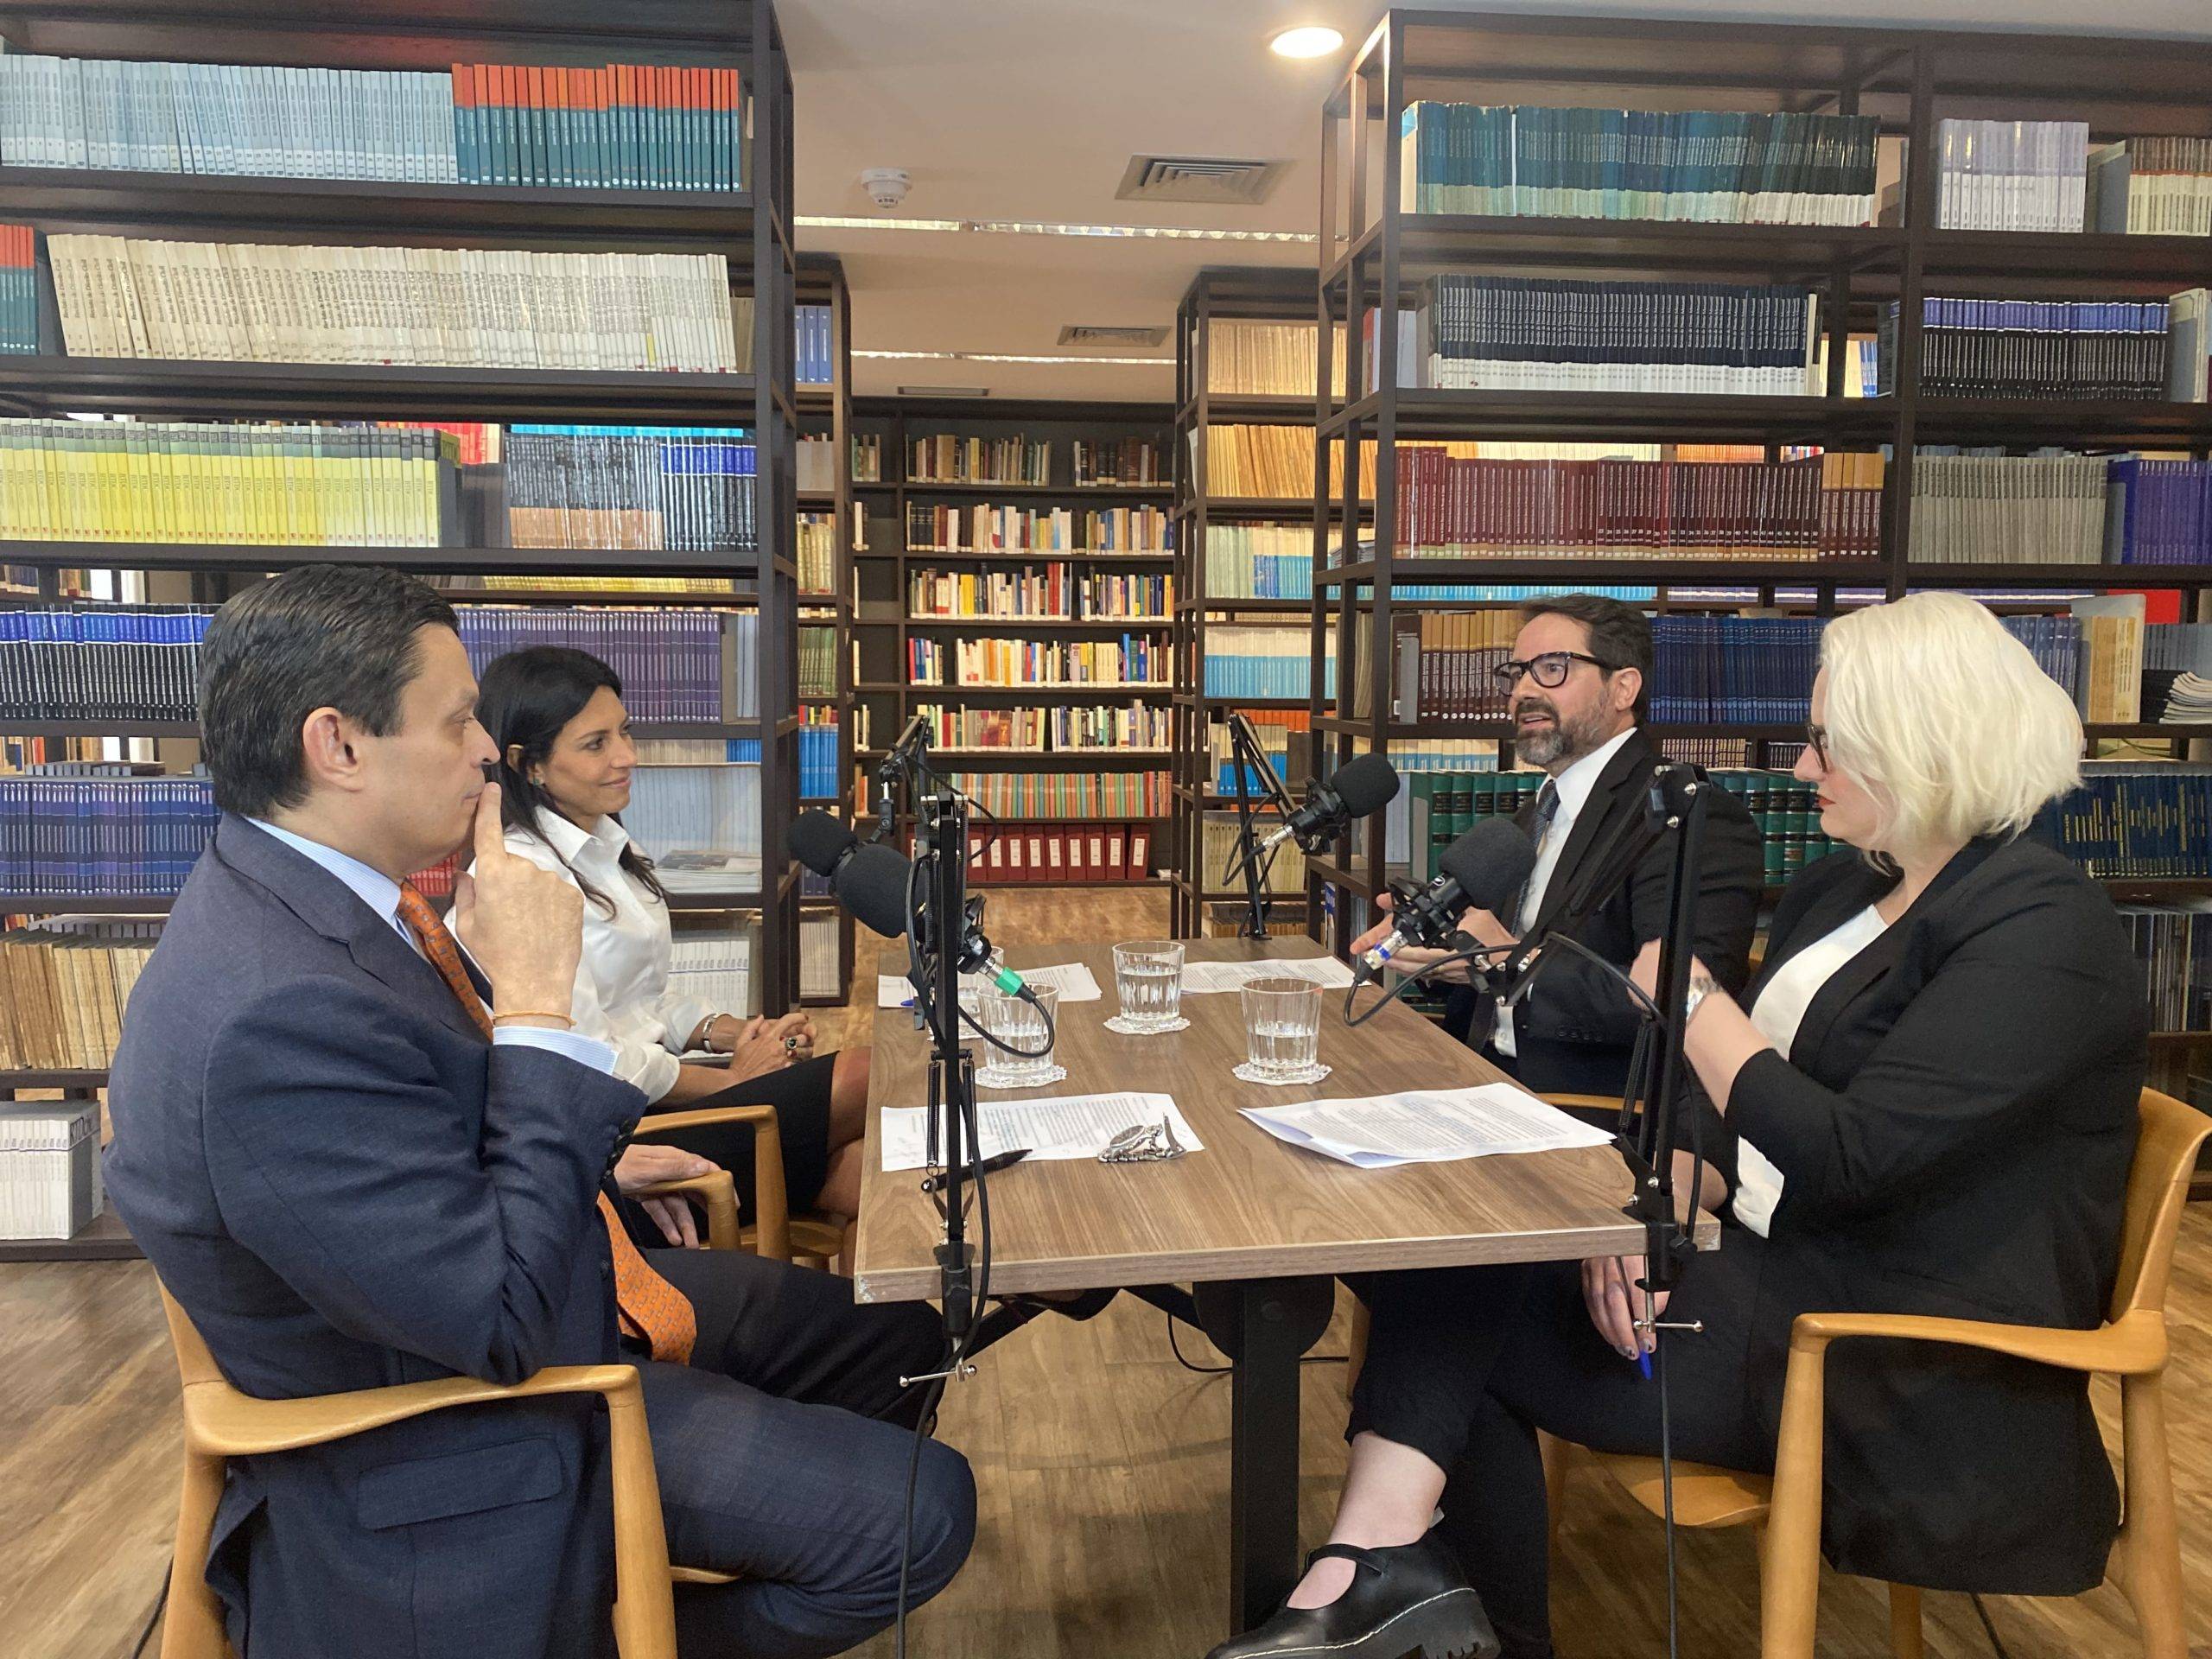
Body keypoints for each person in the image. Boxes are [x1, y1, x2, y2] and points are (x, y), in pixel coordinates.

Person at [1209, 592, 2146, 1659]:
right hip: (1759, 1270)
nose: (1802, 767)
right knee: (1454, 1266)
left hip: (1892, 1355)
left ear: (1925, 742)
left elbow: (1853, 1157)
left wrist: (1693, 1004)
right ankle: (1382, 1577)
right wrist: (1646, 1205)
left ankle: (1389, 1586)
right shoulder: (1844, 887)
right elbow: (1722, 1100)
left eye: (1829, 742)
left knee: (1460, 1300)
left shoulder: (2042, 927)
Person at [104, 565, 974, 1659]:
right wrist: (531, 1005)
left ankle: (740, 1526)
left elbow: (415, 1152)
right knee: (922, 1515)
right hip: (454, 1434)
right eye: (457, 719)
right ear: (339, 746)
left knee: (896, 1333)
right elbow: (499, 1322)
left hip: (507, 1299)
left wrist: (593, 1165)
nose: (485, 750)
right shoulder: (277, 1013)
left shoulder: (301, 905)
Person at [475, 645, 869, 1238]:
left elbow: (643, 1000)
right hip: (623, 1134)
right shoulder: (523, 878)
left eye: (624, 732)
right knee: (865, 1074)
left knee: (863, 1165)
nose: (627, 756)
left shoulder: (609, 847)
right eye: (596, 744)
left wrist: (735, 1033)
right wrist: (733, 1082)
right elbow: (592, 1059)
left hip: (662, 1088)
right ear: (528, 764)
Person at [1351, 593, 1764, 1102]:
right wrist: (1436, 950)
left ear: (1623, 687)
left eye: (1553, 668)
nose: (1523, 690)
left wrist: (1505, 960)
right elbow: (1489, 960)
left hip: (1589, 1107)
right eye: (1517, 673)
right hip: (1471, 1077)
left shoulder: (1685, 815)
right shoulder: (1536, 812)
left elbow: (1683, 1005)